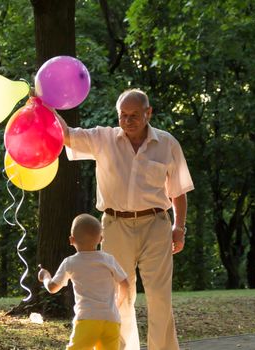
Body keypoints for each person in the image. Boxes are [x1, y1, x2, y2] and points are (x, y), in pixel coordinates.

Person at [55, 89, 194, 350]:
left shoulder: (167, 143)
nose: (128, 121)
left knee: (160, 298)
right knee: (120, 296)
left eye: (134, 115)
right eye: (123, 115)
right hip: (115, 225)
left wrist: (179, 227)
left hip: (156, 225)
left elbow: (179, 191)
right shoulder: (103, 138)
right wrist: (44, 106)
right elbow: (66, 136)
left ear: (148, 113)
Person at [38, 213, 129, 350]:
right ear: (101, 239)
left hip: (87, 319)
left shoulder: (70, 262)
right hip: (111, 319)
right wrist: (118, 302)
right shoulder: (108, 260)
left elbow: (52, 288)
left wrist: (45, 275)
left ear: (71, 240)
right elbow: (125, 284)